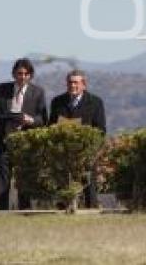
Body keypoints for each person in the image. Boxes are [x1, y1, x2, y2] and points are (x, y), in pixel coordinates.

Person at [0, 57, 48, 210]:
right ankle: (1, 212)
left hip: (26, 144)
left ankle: (25, 212)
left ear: (30, 75)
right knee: (1, 180)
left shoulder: (38, 92)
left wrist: (30, 120)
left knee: (25, 180)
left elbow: (43, 119)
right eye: (19, 73)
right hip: (3, 142)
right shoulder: (2, 89)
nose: (22, 77)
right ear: (14, 74)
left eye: (26, 74)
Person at [48, 69, 106, 207]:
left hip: (86, 152)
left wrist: (91, 146)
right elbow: (50, 126)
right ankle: (63, 211)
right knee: (63, 184)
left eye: (76, 83)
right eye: (69, 82)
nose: (72, 86)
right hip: (64, 152)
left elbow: (101, 129)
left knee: (88, 184)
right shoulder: (57, 102)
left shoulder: (95, 102)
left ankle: (91, 210)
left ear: (84, 84)